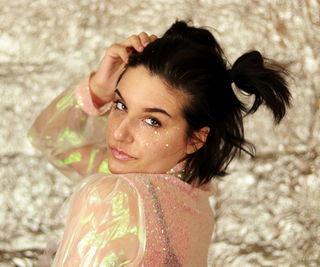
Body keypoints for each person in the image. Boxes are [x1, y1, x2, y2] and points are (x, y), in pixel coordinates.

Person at [28, 20, 291, 266]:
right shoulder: (193, 198)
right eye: (120, 104)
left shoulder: (115, 198)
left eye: (152, 121)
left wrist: (97, 89)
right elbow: (52, 141)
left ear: (196, 139)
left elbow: (50, 139)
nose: (120, 133)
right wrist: (98, 91)